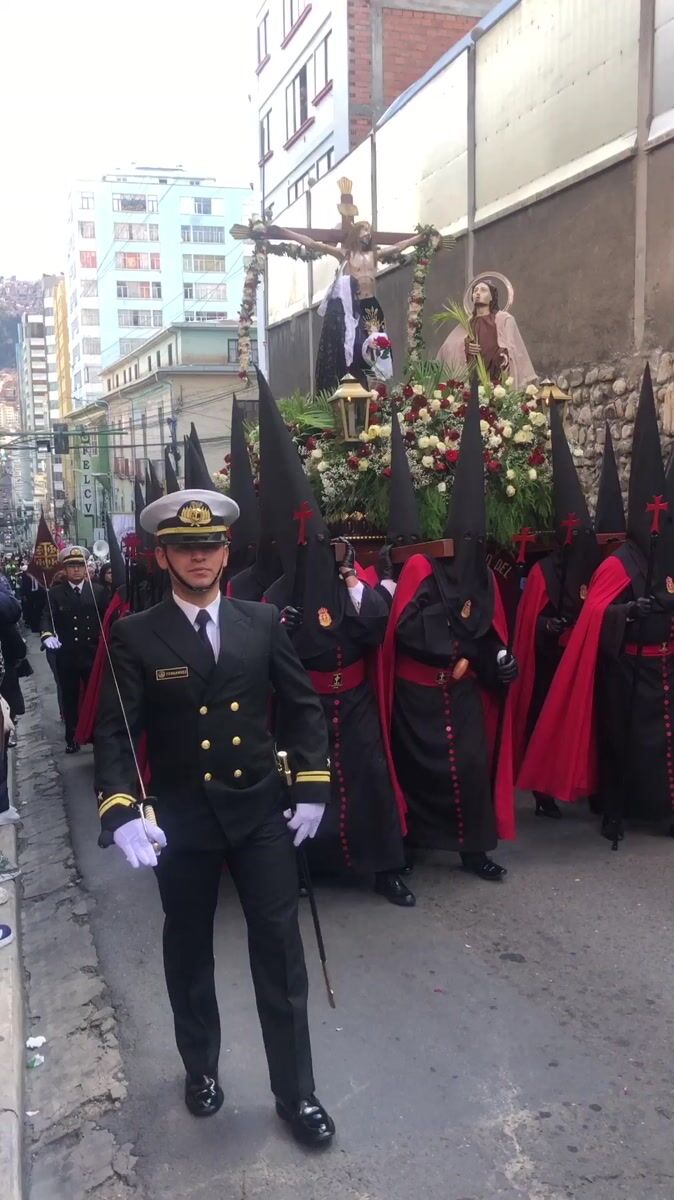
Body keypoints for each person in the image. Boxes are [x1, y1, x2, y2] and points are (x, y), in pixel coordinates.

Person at [93, 488, 335, 1145]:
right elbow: (116, 732)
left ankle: (297, 1094)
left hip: (259, 814)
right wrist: (120, 809)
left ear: (226, 553)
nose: (198, 558)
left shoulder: (262, 622)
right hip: (182, 820)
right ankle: (200, 1068)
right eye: (184, 548)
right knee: (189, 949)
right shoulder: (137, 634)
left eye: (209, 546)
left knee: (280, 953)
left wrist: (313, 785)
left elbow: (303, 706)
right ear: (162, 556)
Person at [258, 372, 413, 907]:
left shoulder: (352, 584)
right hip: (306, 708)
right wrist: (280, 628)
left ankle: (386, 868)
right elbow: (262, 661)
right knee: (305, 785)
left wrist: (352, 584)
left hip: (357, 702)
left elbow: (375, 628)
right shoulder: (276, 595)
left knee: (369, 783)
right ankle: (306, 869)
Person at [519, 366, 674, 842]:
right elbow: (597, 617)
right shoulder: (618, 564)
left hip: (665, 670)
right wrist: (627, 613)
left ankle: (664, 809)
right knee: (624, 743)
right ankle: (614, 810)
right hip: (627, 672)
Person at [381, 382, 517, 880]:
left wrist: (497, 659)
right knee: (419, 772)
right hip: (417, 696)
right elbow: (406, 629)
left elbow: (490, 633)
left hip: (461, 695)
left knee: (471, 768)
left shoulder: (484, 576)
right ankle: (412, 843)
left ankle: (474, 850)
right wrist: (460, 648)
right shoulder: (423, 567)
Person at [511, 404, 602, 817]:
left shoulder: (595, 565)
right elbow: (529, 624)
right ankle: (542, 791)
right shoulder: (544, 572)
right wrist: (548, 626)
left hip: (587, 659)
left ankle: (591, 785)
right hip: (550, 664)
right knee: (544, 723)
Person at [40, 546, 107, 754]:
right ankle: (72, 736)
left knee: (95, 697)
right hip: (67, 655)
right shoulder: (55, 593)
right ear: (65, 569)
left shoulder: (97, 591)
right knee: (70, 698)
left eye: (79, 565)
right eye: (71, 566)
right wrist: (47, 635)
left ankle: (97, 735)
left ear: (86, 568)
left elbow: (107, 618)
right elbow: (46, 617)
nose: (76, 570)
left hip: (91, 653)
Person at [437, 277, 537, 388]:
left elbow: (514, 349)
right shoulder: (467, 324)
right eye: (475, 290)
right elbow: (448, 348)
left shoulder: (504, 319)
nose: (478, 293)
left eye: (483, 290)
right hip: (473, 379)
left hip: (497, 379)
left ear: (491, 297)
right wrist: (465, 346)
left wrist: (503, 353)